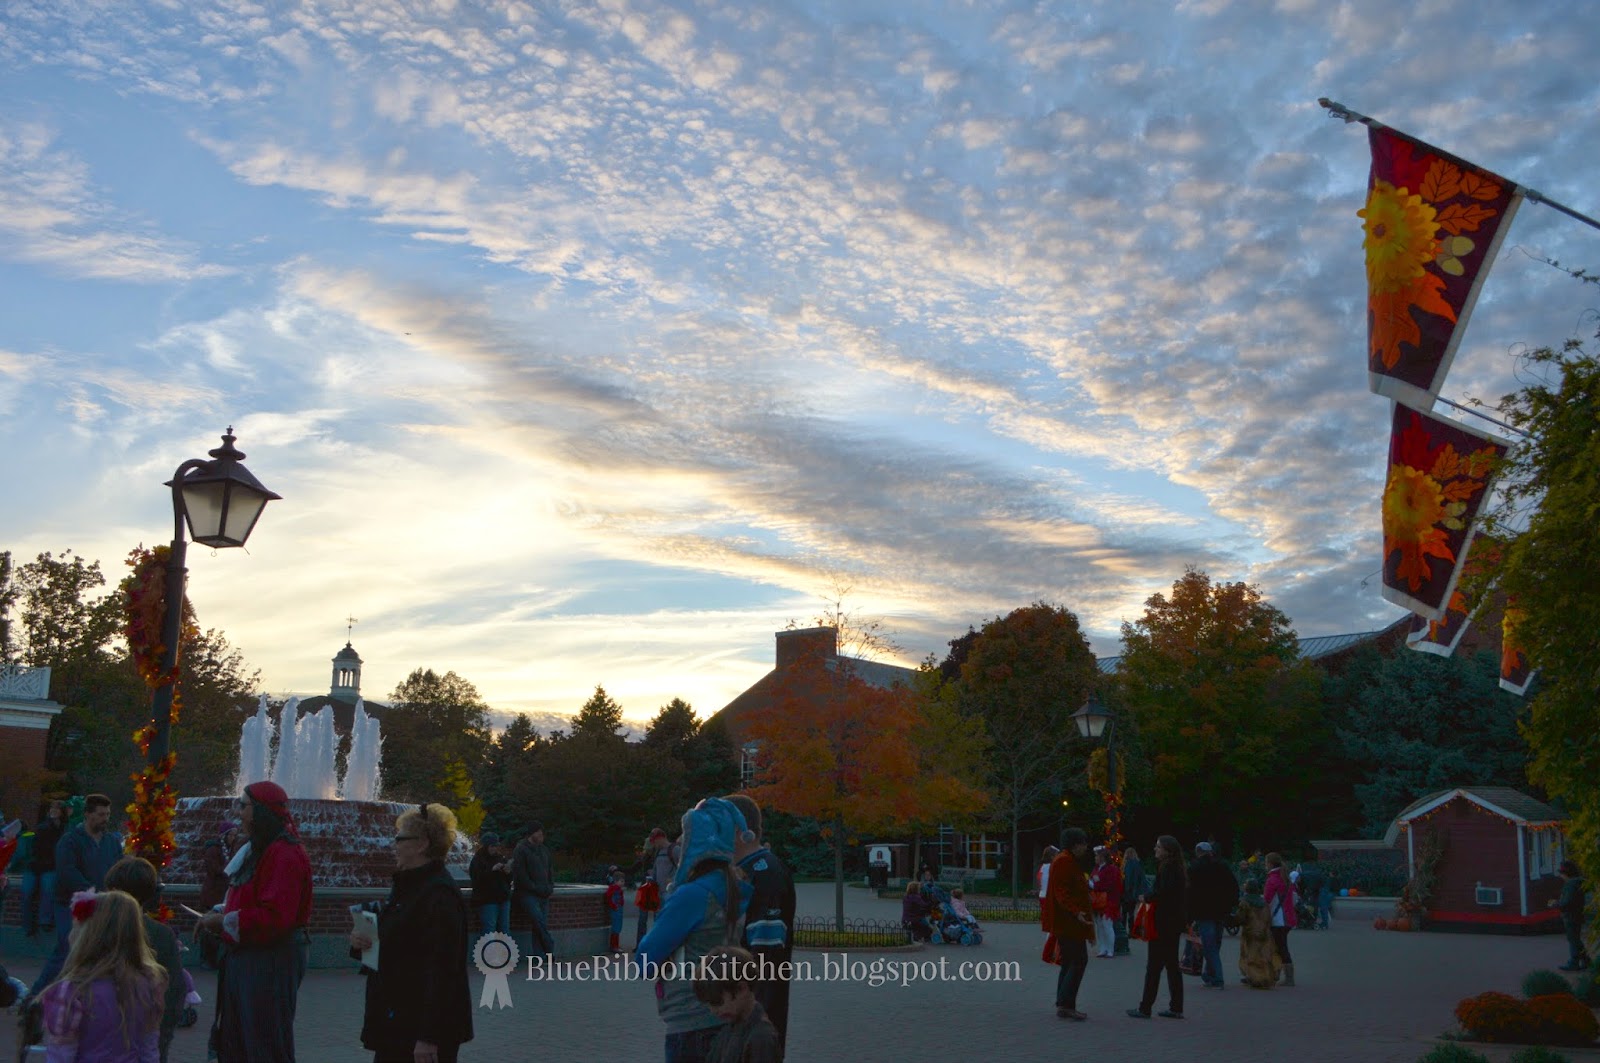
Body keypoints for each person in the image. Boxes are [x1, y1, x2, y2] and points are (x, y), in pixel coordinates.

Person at [195, 780, 313, 1063]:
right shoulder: (259, 848)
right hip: (249, 957)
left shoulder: (284, 854)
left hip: (270, 961)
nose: (240, 813)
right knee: (240, 1039)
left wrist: (222, 922)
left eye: (244, 806)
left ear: (261, 811)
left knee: (263, 1041)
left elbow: (275, 918)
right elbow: (247, 896)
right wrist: (222, 911)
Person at [351, 803, 474, 1063]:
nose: (393, 844)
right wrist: (361, 942)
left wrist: (428, 1037)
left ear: (421, 844)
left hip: (417, 1029)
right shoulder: (409, 884)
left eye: (399, 838)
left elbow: (442, 969)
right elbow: (399, 942)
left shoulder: (438, 894)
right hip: (397, 1018)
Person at [637, 797, 752, 1063]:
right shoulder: (737, 889)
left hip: (691, 1018)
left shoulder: (692, 895)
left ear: (694, 842)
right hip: (727, 1010)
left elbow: (646, 957)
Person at [39, 889, 169, 1063]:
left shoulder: (72, 992)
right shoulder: (149, 984)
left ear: (86, 935)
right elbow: (149, 1050)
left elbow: (60, 1056)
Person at [31, 793, 123, 998]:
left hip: (102, 904)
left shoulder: (111, 842)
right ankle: (36, 997)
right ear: (87, 814)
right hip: (69, 904)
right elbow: (67, 872)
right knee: (67, 948)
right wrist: (92, 891)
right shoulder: (70, 840)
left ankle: (83, 998)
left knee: (100, 952)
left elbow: (118, 868)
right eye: (100, 814)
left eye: (107, 814)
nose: (105, 818)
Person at [726, 793, 796, 1056]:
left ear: (737, 830)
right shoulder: (750, 870)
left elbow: (767, 958)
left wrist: (752, 1015)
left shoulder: (766, 874)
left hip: (756, 1021)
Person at [104, 856, 186, 1063]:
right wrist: (163, 1035)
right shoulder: (162, 935)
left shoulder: (98, 932)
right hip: (147, 1037)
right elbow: (175, 990)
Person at [1127, 834, 1187, 1019]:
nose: (1155, 850)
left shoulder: (1167, 868)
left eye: (1158, 847)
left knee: (1154, 967)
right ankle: (1176, 1006)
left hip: (1163, 923)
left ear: (1167, 850)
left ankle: (1145, 1007)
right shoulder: (1177, 868)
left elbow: (1163, 893)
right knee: (1171, 966)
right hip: (1173, 923)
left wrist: (1147, 897)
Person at [696, 945, 782, 1063]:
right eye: (709, 1003)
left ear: (741, 989)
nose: (713, 1010)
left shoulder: (761, 1037)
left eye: (718, 1002)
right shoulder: (729, 1030)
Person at [1046, 827, 1095, 1021]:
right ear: (1076, 844)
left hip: (1069, 920)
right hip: (1069, 921)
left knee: (1070, 962)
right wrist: (1076, 912)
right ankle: (1066, 1004)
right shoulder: (1065, 861)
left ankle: (1064, 1002)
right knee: (1078, 961)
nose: (1086, 847)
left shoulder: (1065, 859)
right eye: (1083, 843)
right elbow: (1062, 892)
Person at [1187, 841, 1240, 990]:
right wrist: (1231, 905)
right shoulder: (1222, 866)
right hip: (1221, 911)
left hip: (1203, 912)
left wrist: (1189, 914)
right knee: (1215, 943)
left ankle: (1217, 978)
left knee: (1209, 945)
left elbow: (1189, 892)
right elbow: (1233, 887)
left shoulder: (1194, 868)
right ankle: (1209, 974)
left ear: (1198, 852)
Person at [512, 822, 556, 962]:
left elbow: (549, 870)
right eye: (539, 832)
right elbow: (520, 874)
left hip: (544, 892)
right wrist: (534, 887)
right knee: (539, 922)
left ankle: (540, 955)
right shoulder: (521, 849)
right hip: (528, 894)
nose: (541, 835)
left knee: (539, 924)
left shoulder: (544, 850)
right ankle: (549, 947)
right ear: (532, 834)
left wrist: (550, 886)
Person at [23, 800, 66, 937]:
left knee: (48, 889)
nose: (53, 811)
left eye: (57, 809)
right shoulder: (42, 827)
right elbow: (34, 848)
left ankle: (45, 920)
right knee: (26, 892)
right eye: (51, 809)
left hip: (50, 867)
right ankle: (28, 924)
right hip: (35, 866)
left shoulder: (64, 829)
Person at [635, 827, 678, 947]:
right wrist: (651, 877)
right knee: (658, 920)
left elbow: (684, 867)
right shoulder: (659, 852)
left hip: (669, 891)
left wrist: (674, 879)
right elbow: (655, 869)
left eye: (655, 841)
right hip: (658, 891)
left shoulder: (674, 849)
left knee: (666, 919)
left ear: (661, 838)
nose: (654, 844)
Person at [1235, 879, 1280, 988]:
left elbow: (1240, 918)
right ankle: (1267, 977)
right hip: (1265, 932)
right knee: (1264, 956)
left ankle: (1256, 979)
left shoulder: (1244, 902)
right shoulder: (1263, 902)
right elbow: (1269, 918)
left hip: (1250, 932)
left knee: (1251, 956)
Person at [1262, 851, 1298, 987]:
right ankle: (1281, 974)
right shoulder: (1285, 878)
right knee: (1280, 947)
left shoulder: (1272, 880)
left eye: (1266, 863)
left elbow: (1266, 900)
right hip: (1288, 918)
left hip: (1278, 920)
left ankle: (1282, 976)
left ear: (1270, 864)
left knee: (1279, 948)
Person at [468, 831, 513, 935]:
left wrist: (508, 872)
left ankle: (505, 951)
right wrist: (492, 870)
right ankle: (488, 951)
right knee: (489, 929)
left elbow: (509, 879)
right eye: (492, 846)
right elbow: (477, 880)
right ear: (486, 846)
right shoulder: (478, 860)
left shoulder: (500, 858)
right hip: (487, 900)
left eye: (496, 846)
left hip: (503, 898)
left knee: (505, 929)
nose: (495, 849)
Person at [1550, 859, 1590, 971]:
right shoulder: (1579, 883)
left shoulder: (1570, 885)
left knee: (1573, 940)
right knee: (1576, 939)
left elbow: (1567, 902)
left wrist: (1556, 904)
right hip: (1577, 914)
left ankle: (1574, 962)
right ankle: (1586, 960)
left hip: (1570, 916)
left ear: (1566, 874)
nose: (1561, 876)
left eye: (1561, 874)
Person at [1089, 846, 1123, 959]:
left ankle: (1110, 949)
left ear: (1102, 857)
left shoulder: (1111, 869)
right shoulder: (1097, 868)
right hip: (1099, 901)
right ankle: (1103, 948)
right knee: (1100, 926)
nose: (1095, 858)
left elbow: (1110, 885)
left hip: (1108, 901)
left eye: (1096, 855)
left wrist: (1094, 884)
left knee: (1107, 925)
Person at [1121, 846, 1146, 929]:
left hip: (1127, 892)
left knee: (1124, 912)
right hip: (1134, 892)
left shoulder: (1127, 864)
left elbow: (1127, 879)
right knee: (1131, 912)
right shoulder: (1138, 864)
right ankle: (1132, 931)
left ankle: (1123, 929)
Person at [1037, 846, 1059, 932]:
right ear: (1052, 856)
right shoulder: (1053, 866)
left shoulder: (1042, 867)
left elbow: (1039, 882)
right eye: (1057, 855)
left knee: (1048, 922)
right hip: (1051, 897)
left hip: (1043, 895)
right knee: (1054, 924)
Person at [606, 866, 627, 955]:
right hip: (615, 909)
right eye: (621, 881)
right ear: (616, 881)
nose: (622, 883)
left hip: (618, 909)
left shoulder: (617, 889)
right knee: (615, 928)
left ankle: (615, 945)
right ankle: (614, 946)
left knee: (617, 927)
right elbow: (609, 898)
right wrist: (614, 906)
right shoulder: (613, 889)